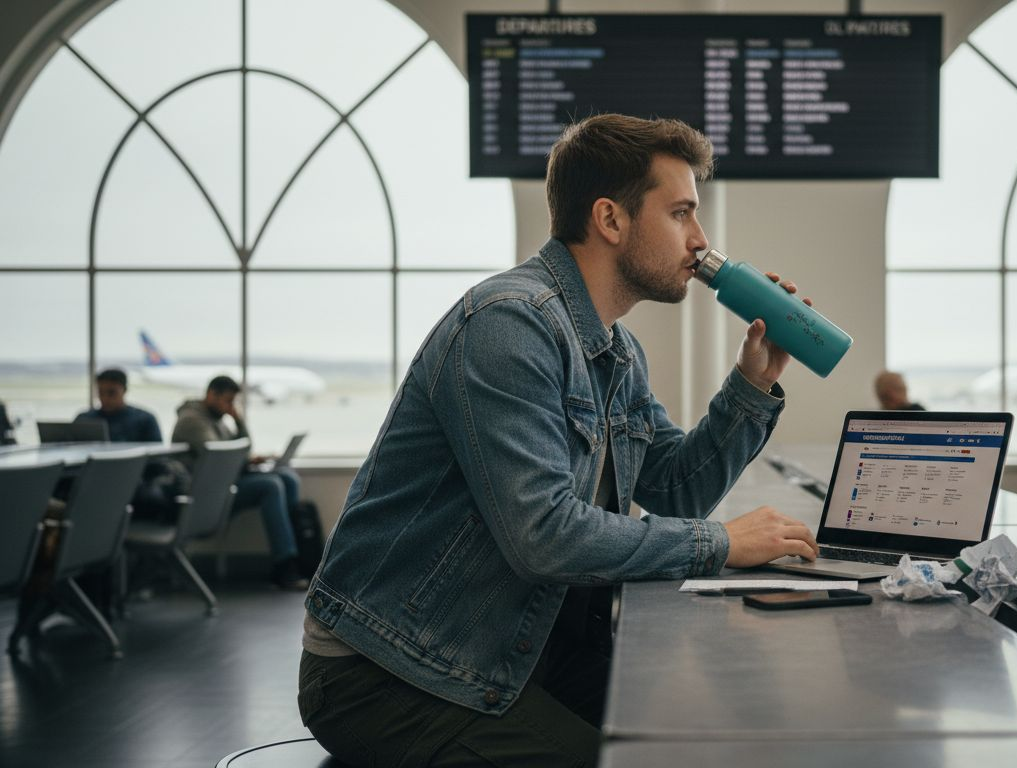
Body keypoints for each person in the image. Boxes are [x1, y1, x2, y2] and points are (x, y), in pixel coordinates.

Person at [297, 115, 820, 767]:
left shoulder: (616, 351)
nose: (700, 240)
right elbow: (543, 535)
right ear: (610, 219)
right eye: (681, 213)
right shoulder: (507, 326)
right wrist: (719, 543)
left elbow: (675, 489)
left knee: (701, 737)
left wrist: (752, 383)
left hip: (521, 648)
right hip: (393, 670)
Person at [171, 375, 308, 590]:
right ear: (211, 394)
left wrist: (239, 421)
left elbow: (241, 448)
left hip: (225, 483)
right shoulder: (192, 421)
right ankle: (285, 566)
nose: (230, 407)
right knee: (271, 486)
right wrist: (246, 459)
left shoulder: (216, 420)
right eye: (228, 401)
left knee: (287, 478)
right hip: (209, 493)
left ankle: (299, 556)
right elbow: (219, 457)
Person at [74, 368, 163, 443]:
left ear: (124, 390)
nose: (105, 398)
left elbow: (157, 454)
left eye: (111, 393)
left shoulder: (144, 420)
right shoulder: (83, 420)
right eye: (101, 392)